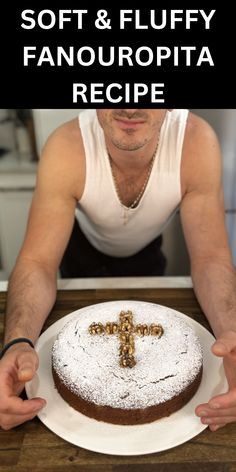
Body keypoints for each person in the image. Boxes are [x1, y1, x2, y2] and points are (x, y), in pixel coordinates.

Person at [0, 108, 236, 431]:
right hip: (80, 258)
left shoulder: (197, 144)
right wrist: (17, 343)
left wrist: (231, 335)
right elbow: (37, 263)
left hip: (146, 259)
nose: (130, 104)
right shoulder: (66, 148)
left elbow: (211, 260)